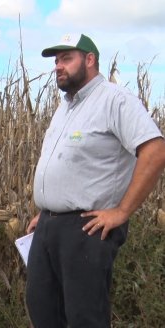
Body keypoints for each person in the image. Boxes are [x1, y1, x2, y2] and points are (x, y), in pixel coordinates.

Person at [25, 33, 165, 328]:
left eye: (66, 59)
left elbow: (155, 151)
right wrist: (49, 211)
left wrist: (122, 212)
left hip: (86, 228)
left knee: (84, 318)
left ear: (90, 60)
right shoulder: (66, 107)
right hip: (49, 227)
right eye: (56, 61)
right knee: (43, 311)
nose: (58, 67)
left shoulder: (115, 100)